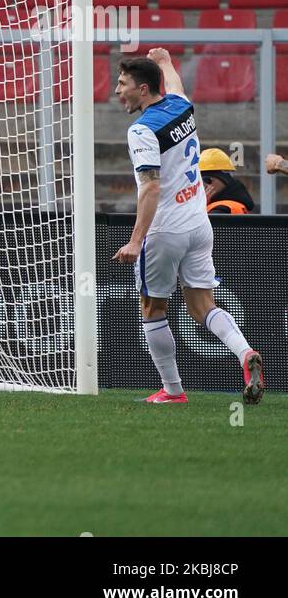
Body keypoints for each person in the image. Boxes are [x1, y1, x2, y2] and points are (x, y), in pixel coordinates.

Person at [111, 49, 265, 405]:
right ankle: (245, 354)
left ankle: (173, 390)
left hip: (165, 230)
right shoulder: (181, 105)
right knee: (201, 304)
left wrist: (136, 241)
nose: (118, 91)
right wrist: (165, 61)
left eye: (123, 84)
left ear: (144, 89)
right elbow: (176, 85)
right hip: (199, 222)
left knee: (152, 308)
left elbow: (150, 186)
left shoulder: (142, 130)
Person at [199, 148, 254, 215]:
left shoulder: (221, 210)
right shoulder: (236, 202)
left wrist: (199, 207)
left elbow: (192, 225)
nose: (201, 186)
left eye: (203, 180)